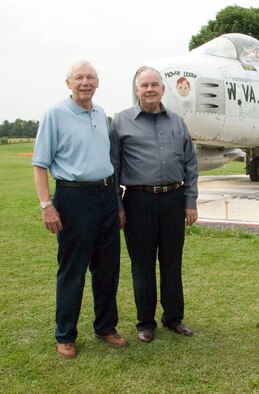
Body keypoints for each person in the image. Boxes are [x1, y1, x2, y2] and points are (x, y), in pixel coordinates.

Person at [32, 60, 128, 359]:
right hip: (73, 199)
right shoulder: (55, 114)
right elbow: (40, 164)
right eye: (79, 78)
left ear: (98, 83)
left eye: (90, 77)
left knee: (108, 269)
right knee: (73, 270)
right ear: (68, 83)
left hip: (105, 196)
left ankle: (105, 327)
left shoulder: (101, 114)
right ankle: (65, 335)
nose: (85, 82)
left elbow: (109, 161)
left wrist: (116, 202)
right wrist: (47, 205)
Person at [110, 66, 198, 343]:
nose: (150, 89)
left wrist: (190, 201)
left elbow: (190, 164)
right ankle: (145, 322)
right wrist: (118, 206)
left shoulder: (177, 122)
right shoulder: (120, 122)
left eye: (155, 85)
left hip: (174, 199)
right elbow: (113, 167)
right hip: (138, 201)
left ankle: (174, 318)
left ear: (163, 89)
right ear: (136, 89)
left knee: (172, 262)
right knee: (142, 265)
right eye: (144, 85)